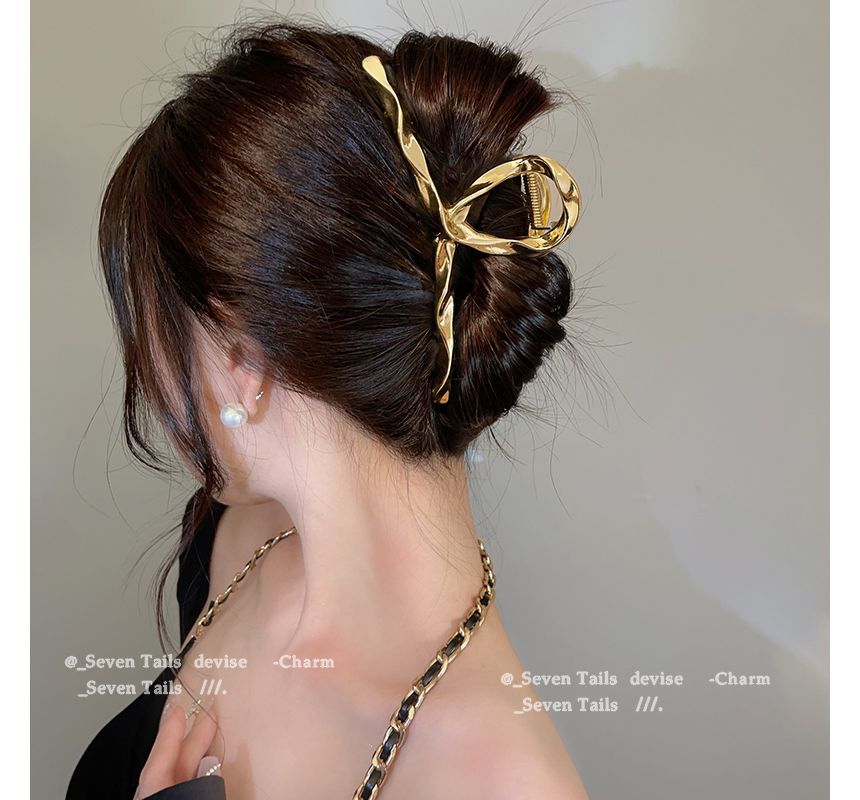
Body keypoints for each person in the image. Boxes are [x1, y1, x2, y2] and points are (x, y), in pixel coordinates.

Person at [67, 18, 589, 800]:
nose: (149, 372)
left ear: (244, 361)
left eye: (153, 332)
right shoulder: (232, 536)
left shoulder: (498, 783)